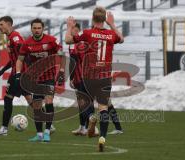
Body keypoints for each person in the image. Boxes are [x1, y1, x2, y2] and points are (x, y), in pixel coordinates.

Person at [65, 7, 124, 151]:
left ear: (92, 18)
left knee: (84, 101)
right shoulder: (111, 34)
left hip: (89, 76)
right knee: (103, 107)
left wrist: (69, 27)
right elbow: (121, 39)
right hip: (104, 77)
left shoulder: (87, 33)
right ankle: (102, 138)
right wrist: (112, 24)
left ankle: (91, 118)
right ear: (104, 19)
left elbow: (67, 40)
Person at [16, 18, 64, 142]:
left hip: (49, 77)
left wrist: (62, 71)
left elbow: (61, 55)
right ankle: (39, 134)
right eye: (34, 28)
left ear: (43, 29)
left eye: (39, 28)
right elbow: (20, 59)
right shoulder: (27, 43)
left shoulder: (51, 41)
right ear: (31, 29)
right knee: (37, 106)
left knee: (48, 102)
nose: (37, 30)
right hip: (36, 79)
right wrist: (17, 73)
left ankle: (47, 132)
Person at [0, 16, 32, 136]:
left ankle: (4, 129)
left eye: (1, 24)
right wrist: (3, 70)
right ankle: (48, 123)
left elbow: (24, 53)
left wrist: (21, 73)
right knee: (30, 100)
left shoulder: (15, 37)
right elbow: (14, 59)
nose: (0, 27)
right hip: (19, 72)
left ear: (9, 24)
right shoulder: (9, 38)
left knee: (8, 98)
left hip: (19, 74)